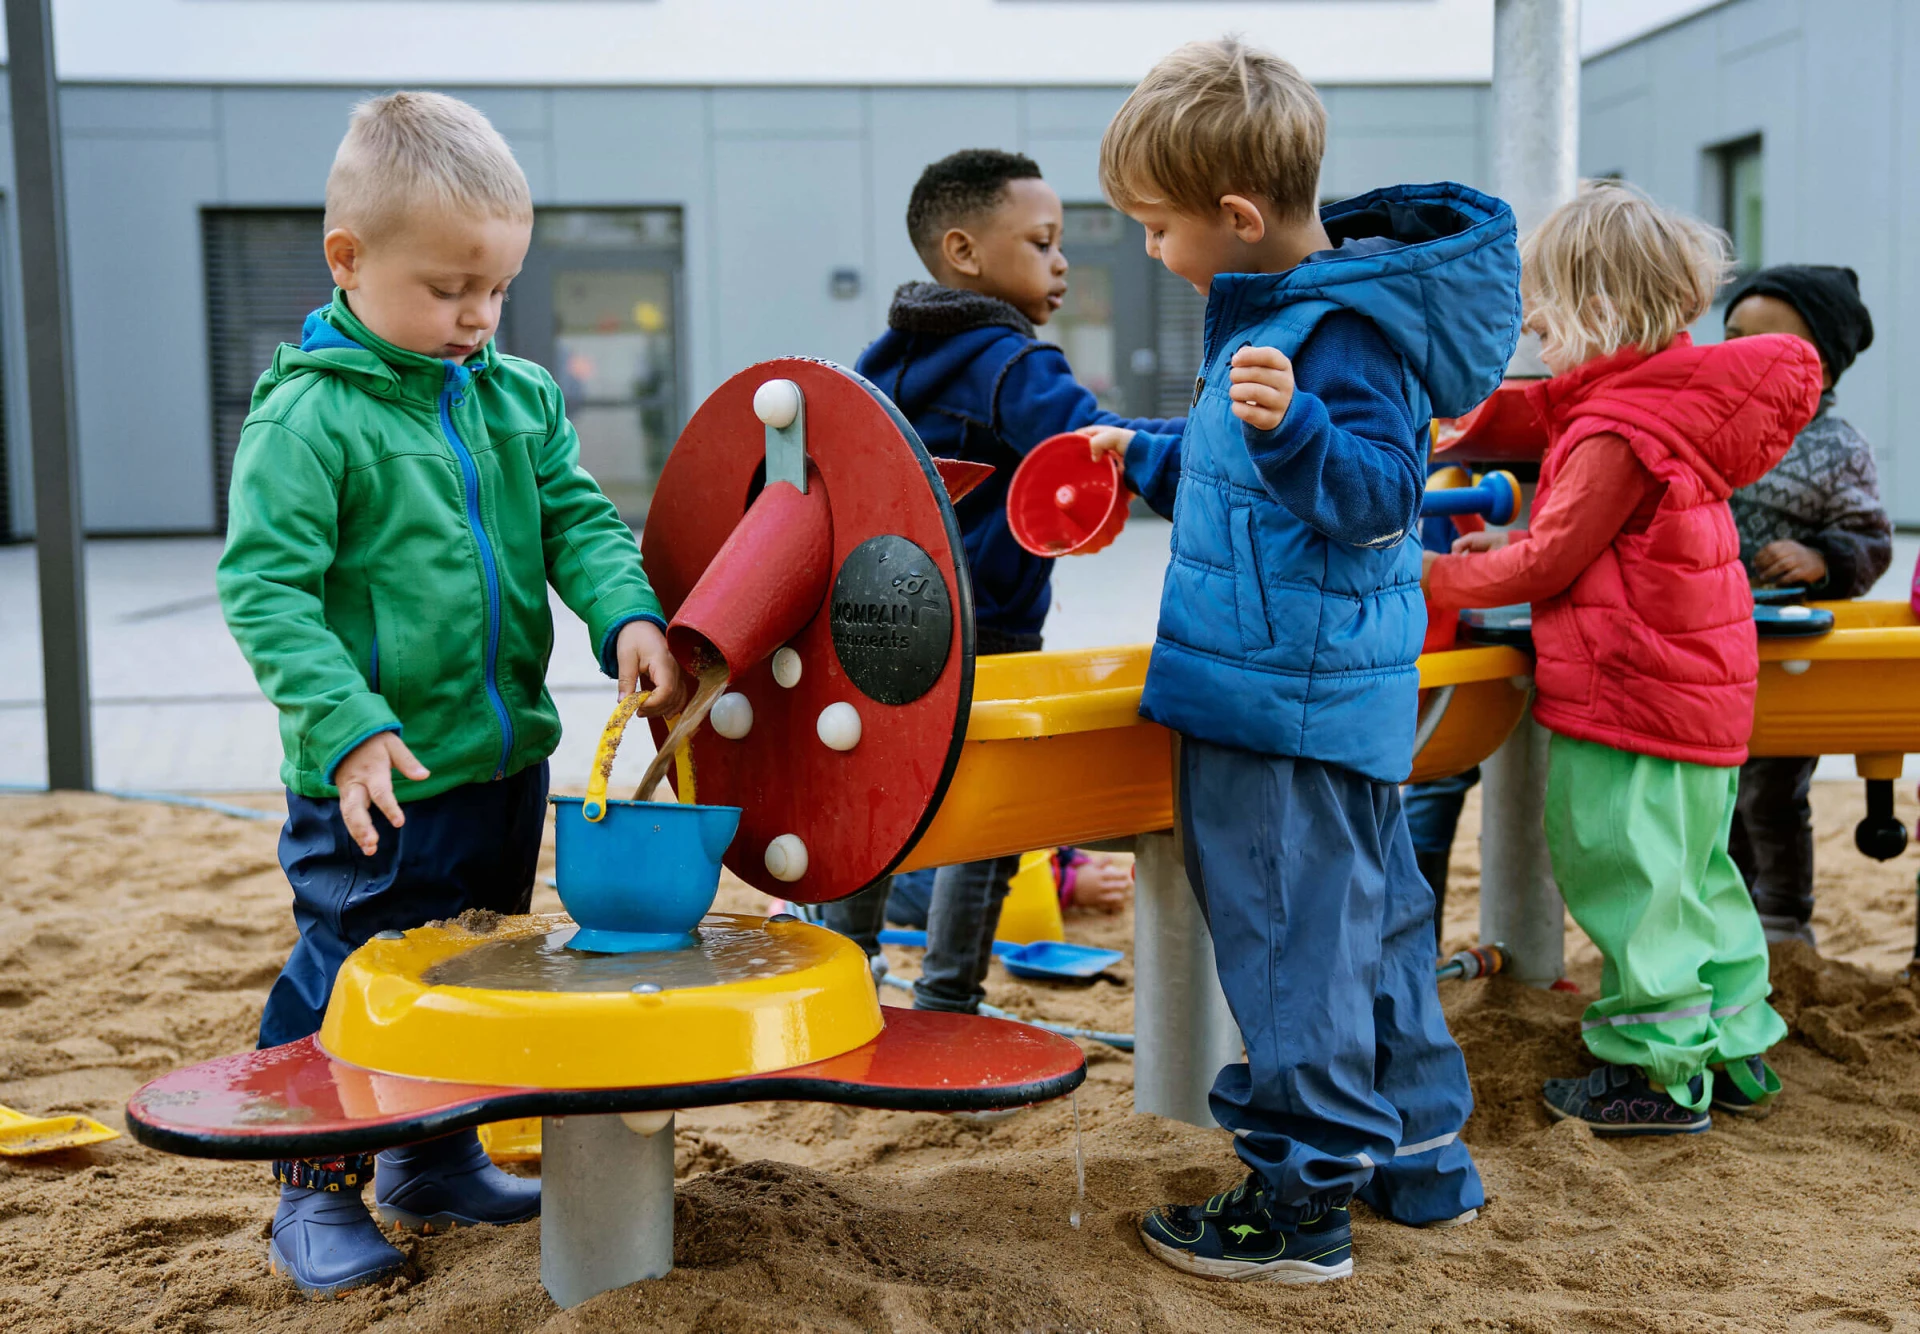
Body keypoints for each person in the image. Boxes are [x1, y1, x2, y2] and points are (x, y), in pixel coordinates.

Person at [215, 92, 684, 1296]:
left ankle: (431, 1154)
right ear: (348, 260)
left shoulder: (513, 394)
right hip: (375, 774)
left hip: (498, 759)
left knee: (470, 961)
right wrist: (348, 724)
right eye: (446, 290)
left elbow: (578, 517)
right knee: (358, 966)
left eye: (495, 291)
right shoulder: (308, 419)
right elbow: (267, 592)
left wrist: (623, 608)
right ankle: (315, 1183)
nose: (475, 317)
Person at [1082, 38, 1518, 1281]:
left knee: (1286, 945)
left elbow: (1380, 493)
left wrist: (1297, 429)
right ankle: (1420, 1156)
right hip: (1324, 691)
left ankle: (1303, 1200)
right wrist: (1145, 455)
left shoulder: (1337, 339)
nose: (1154, 252)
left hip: (1278, 698)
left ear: (1234, 215)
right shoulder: (1280, 321)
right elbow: (1246, 468)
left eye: (1157, 229)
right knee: (1365, 926)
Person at [1425, 181, 1823, 1137]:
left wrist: (1436, 578)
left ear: (1600, 311)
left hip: (1628, 695)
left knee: (1623, 876)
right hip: (1699, 700)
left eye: (1545, 315)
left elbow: (1553, 556)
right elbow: (1578, 518)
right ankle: (1730, 1045)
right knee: (1696, 875)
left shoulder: (1616, 431)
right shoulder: (1673, 403)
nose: (1533, 330)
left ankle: (1655, 1073)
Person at [822, 149, 1178, 1013]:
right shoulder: (1016, 365)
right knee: (986, 819)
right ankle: (946, 998)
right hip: (990, 629)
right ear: (964, 252)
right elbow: (1093, 446)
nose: (1062, 263)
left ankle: (841, 977)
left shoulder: (882, 361)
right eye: (1044, 242)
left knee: (879, 805)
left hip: (878, 627)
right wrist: (1193, 445)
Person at [1721, 265, 1890, 948]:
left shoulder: (1834, 447)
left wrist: (1823, 556)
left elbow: (1872, 539)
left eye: (1763, 346)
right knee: (1716, 792)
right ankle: (1725, 912)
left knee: (1772, 791)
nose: (1736, 358)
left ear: (1818, 369)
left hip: (1787, 650)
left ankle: (1784, 919)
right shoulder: (1708, 424)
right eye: (1729, 337)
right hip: (1706, 637)